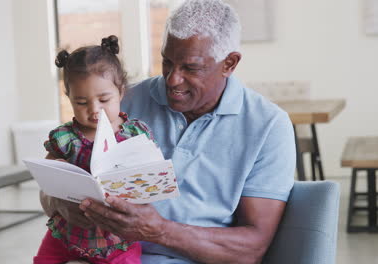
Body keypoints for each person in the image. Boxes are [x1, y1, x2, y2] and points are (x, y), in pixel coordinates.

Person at [40, 0, 296, 263]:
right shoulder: (119, 104)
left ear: (229, 63)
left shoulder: (269, 127)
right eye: (167, 62)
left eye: (190, 68)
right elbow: (53, 188)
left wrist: (159, 231)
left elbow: (252, 248)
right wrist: (63, 204)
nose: (172, 79)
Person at [34, 35, 155, 264]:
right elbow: (47, 172)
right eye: (81, 102)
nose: (94, 110)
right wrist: (56, 170)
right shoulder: (66, 137)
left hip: (117, 239)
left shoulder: (135, 134)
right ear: (68, 97)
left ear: (120, 92)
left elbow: (151, 174)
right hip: (68, 232)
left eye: (104, 99)